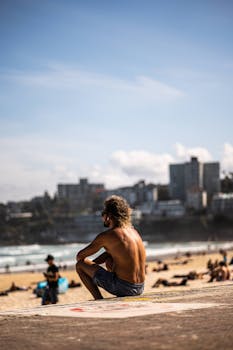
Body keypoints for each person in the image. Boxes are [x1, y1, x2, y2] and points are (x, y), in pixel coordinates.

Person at [76, 195, 146, 300]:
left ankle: (98, 299)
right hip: (140, 287)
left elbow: (80, 256)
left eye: (103, 214)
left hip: (124, 288)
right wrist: (96, 263)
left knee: (80, 265)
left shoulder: (108, 236)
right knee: (109, 258)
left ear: (108, 216)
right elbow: (120, 254)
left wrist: (91, 266)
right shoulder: (134, 232)